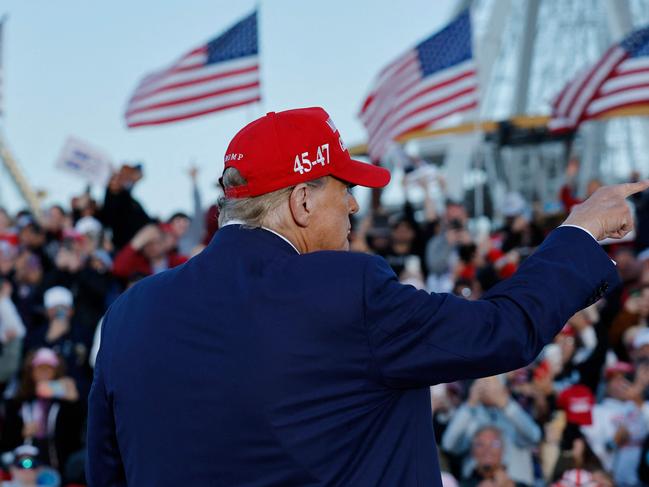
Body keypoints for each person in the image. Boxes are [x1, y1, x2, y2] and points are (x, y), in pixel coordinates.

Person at [87, 107, 642, 486]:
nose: (355, 206)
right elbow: (502, 330)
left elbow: (107, 472)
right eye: (346, 188)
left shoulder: (130, 314)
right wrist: (579, 232)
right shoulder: (346, 291)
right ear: (302, 202)